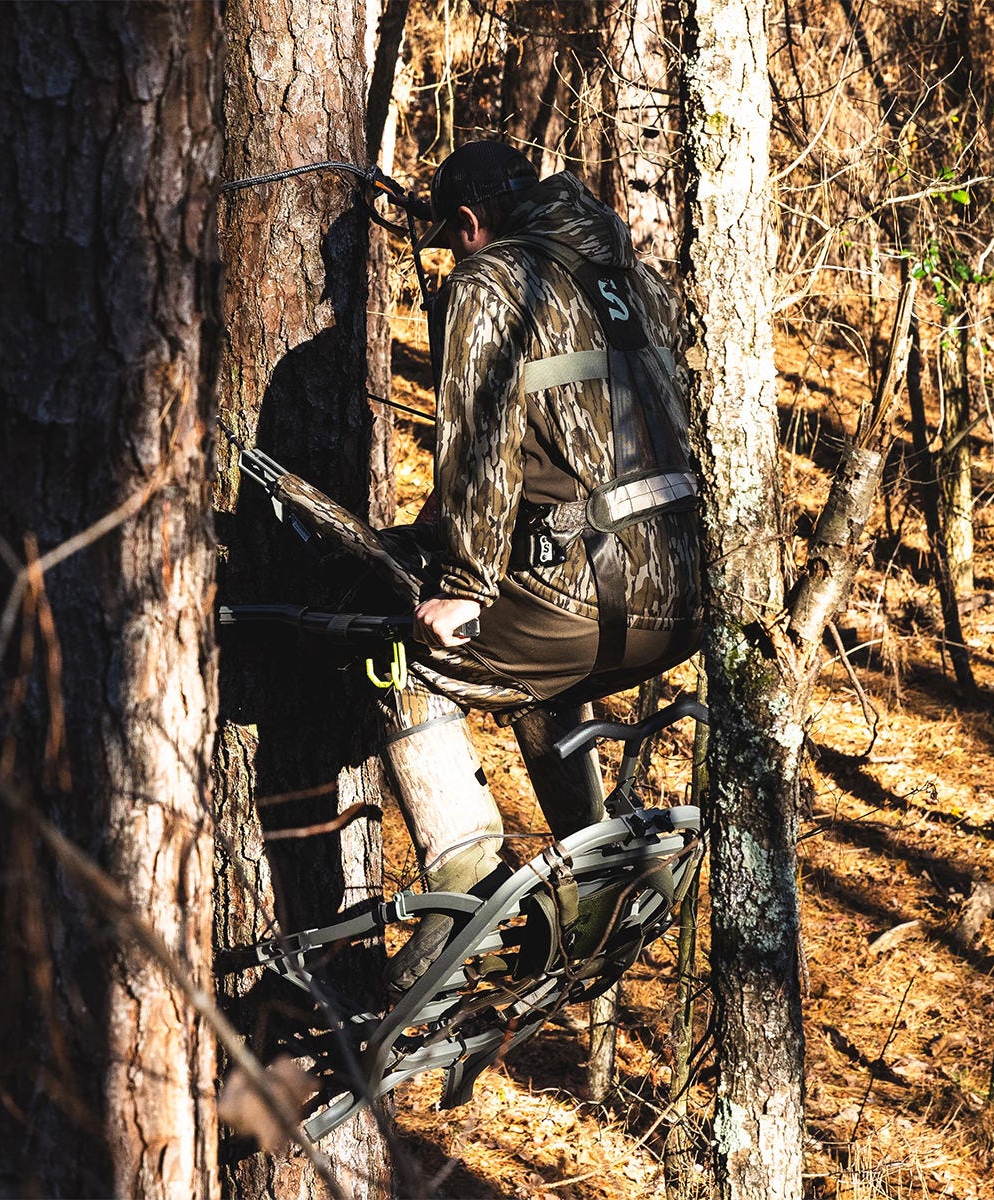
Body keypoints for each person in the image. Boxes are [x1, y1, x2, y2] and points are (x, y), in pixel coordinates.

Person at [377, 139, 701, 992]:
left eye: (453, 239)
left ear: (472, 225)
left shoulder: (492, 281)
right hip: (685, 592)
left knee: (394, 647)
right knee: (535, 668)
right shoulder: (625, 272)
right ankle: (588, 878)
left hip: (591, 598)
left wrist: (461, 588)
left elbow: (482, 448)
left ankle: (466, 870)